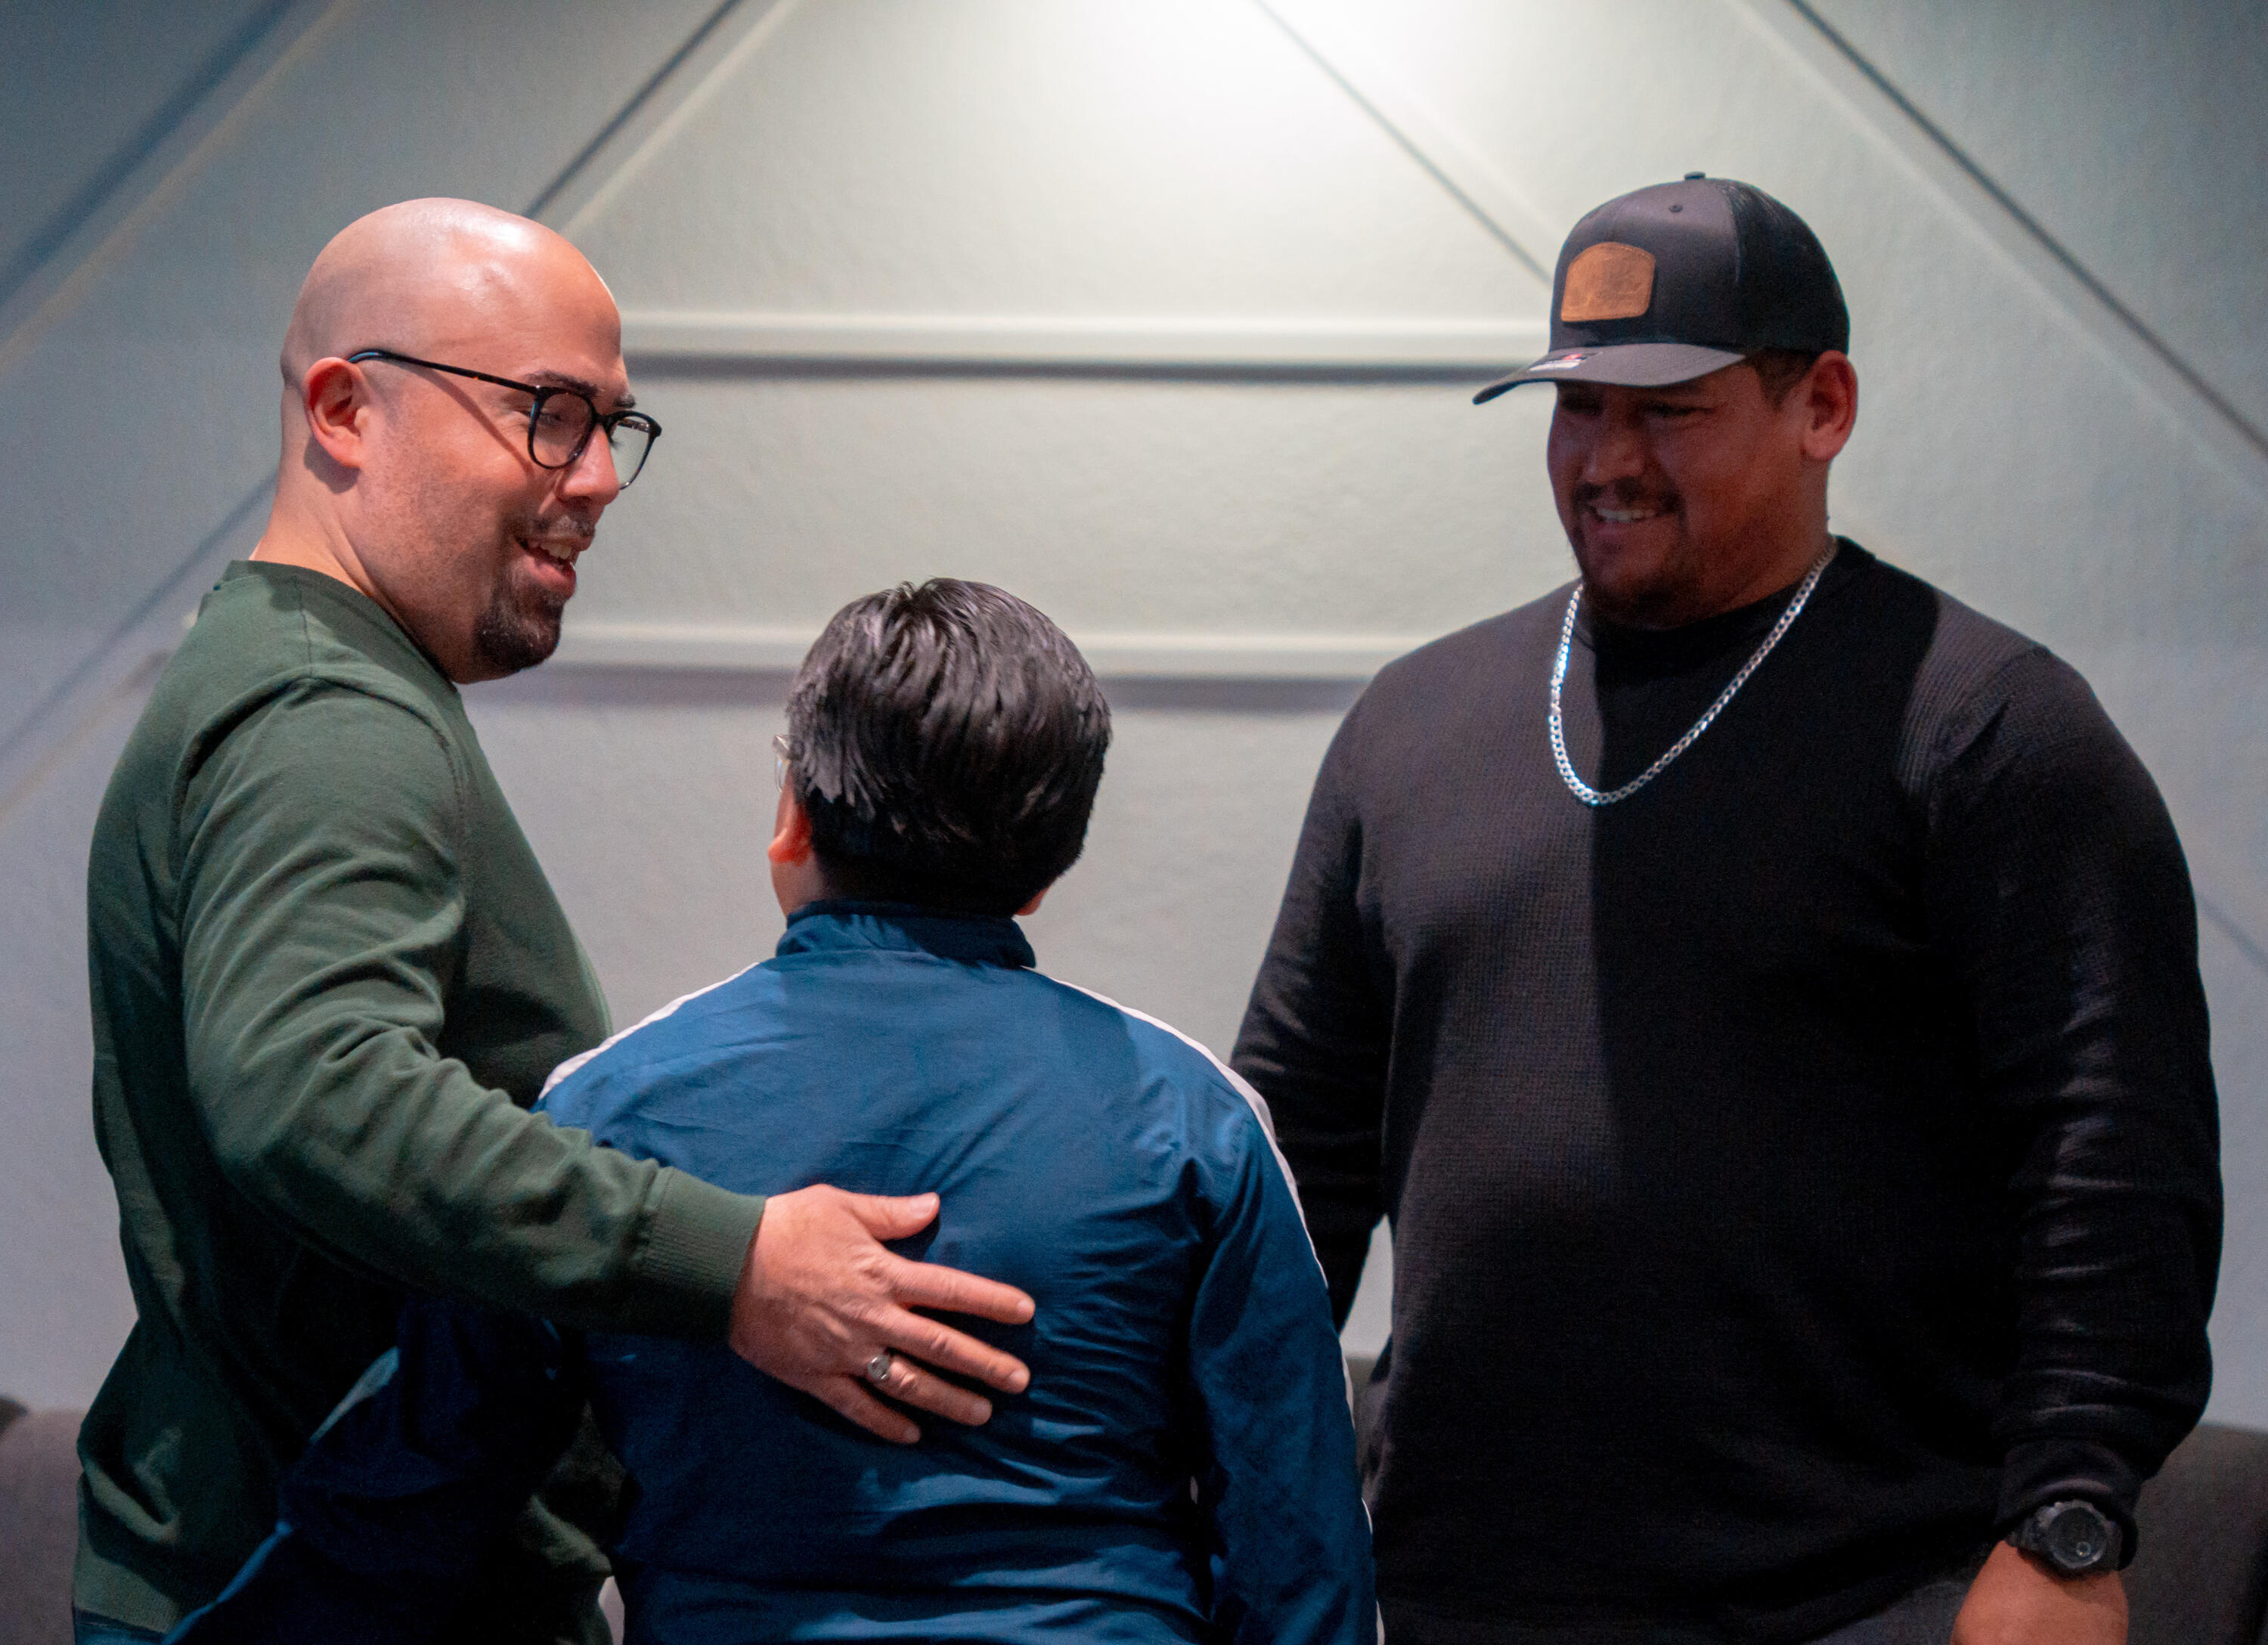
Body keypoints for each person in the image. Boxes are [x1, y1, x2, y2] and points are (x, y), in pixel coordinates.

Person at [1233, 175, 2220, 1645]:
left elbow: (2113, 1155)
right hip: (1453, 1590)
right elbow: (1291, 1155)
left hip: (1861, 1595)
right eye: (1578, 409)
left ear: (1822, 406)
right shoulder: (1414, 725)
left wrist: (2068, 1528)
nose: (1607, 461)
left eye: (1670, 411)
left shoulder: (1984, 727)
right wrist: (1203, 1460)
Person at [76, 202, 1036, 1645]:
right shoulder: (325, 720)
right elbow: (311, 1091)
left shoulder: (309, 680)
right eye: (548, 413)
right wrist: (737, 1265)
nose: (594, 477)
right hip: (317, 1595)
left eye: (609, 426)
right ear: (344, 409)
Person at [163, 578, 1374, 1645]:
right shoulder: (1196, 1125)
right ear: (1051, 867)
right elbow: (1301, 1557)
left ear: (794, 810)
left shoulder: (607, 1111)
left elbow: (413, 1502)